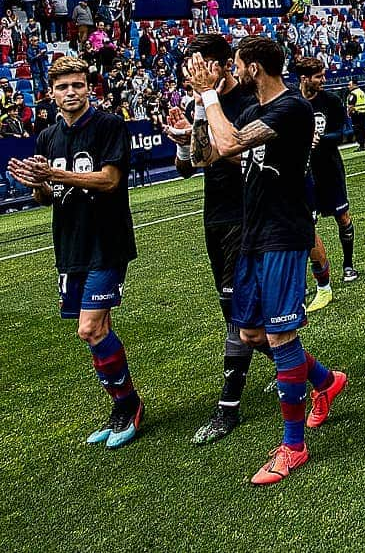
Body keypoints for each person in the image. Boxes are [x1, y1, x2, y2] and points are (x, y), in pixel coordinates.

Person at [186, 36, 347, 484]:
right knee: (251, 332)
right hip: (253, 234)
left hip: (283, 233)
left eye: (237, 65)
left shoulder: (291, 108)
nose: (232, 72)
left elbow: (233, 142)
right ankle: (326, 380)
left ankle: (293, 447)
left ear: (254, 68)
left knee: (279, 337)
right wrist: (200, 112)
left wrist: (208, 94)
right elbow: (207, 155)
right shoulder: (253, 111)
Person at [9, 56, 142, 447]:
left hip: (107, 241)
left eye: (78, 85)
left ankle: (129, 406)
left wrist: (56, 174)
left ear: (89, 88)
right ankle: (121, 405)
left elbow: (110, 180)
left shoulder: (109, 125)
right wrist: (35, 183)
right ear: (51, 93)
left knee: (91, 328)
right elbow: (48, 197)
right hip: (69, 246)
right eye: (64, 87)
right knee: (97, 333)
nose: (72, 93)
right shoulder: (48, 138)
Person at [165, 33, 267, 445]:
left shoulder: (248, 101)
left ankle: (228, 408)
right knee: (238, 317)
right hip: (215, 217)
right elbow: (190, 165)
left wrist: (206, 108)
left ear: (225, 65)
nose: (193, 73)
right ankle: (298, 368)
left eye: (201, 65)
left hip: (247, 216)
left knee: (237, 312)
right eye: (189, 66)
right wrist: (183, 140)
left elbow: (236, 150)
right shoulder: (202, 101)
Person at [295, 57, 358, 302]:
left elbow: (340, 133)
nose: (323, 80)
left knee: (342, 217)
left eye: (323, 76)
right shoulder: (294, 102)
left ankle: (348, 264)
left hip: (329, 168)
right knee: (307, 225)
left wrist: (320, 139)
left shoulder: (330, 101)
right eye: (319, 76)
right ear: (304, 78)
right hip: (304, 171)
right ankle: (311, 281)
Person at [346, 80, 365, 150]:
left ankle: (362, 145)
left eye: (349, 85)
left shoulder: (353, 94)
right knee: (364, 128)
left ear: (354, 85)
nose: (348, 87)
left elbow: (351, 105)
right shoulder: (362, 92)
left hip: (356, 113)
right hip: (364, 112)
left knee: (357, 129)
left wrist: (349, 113)